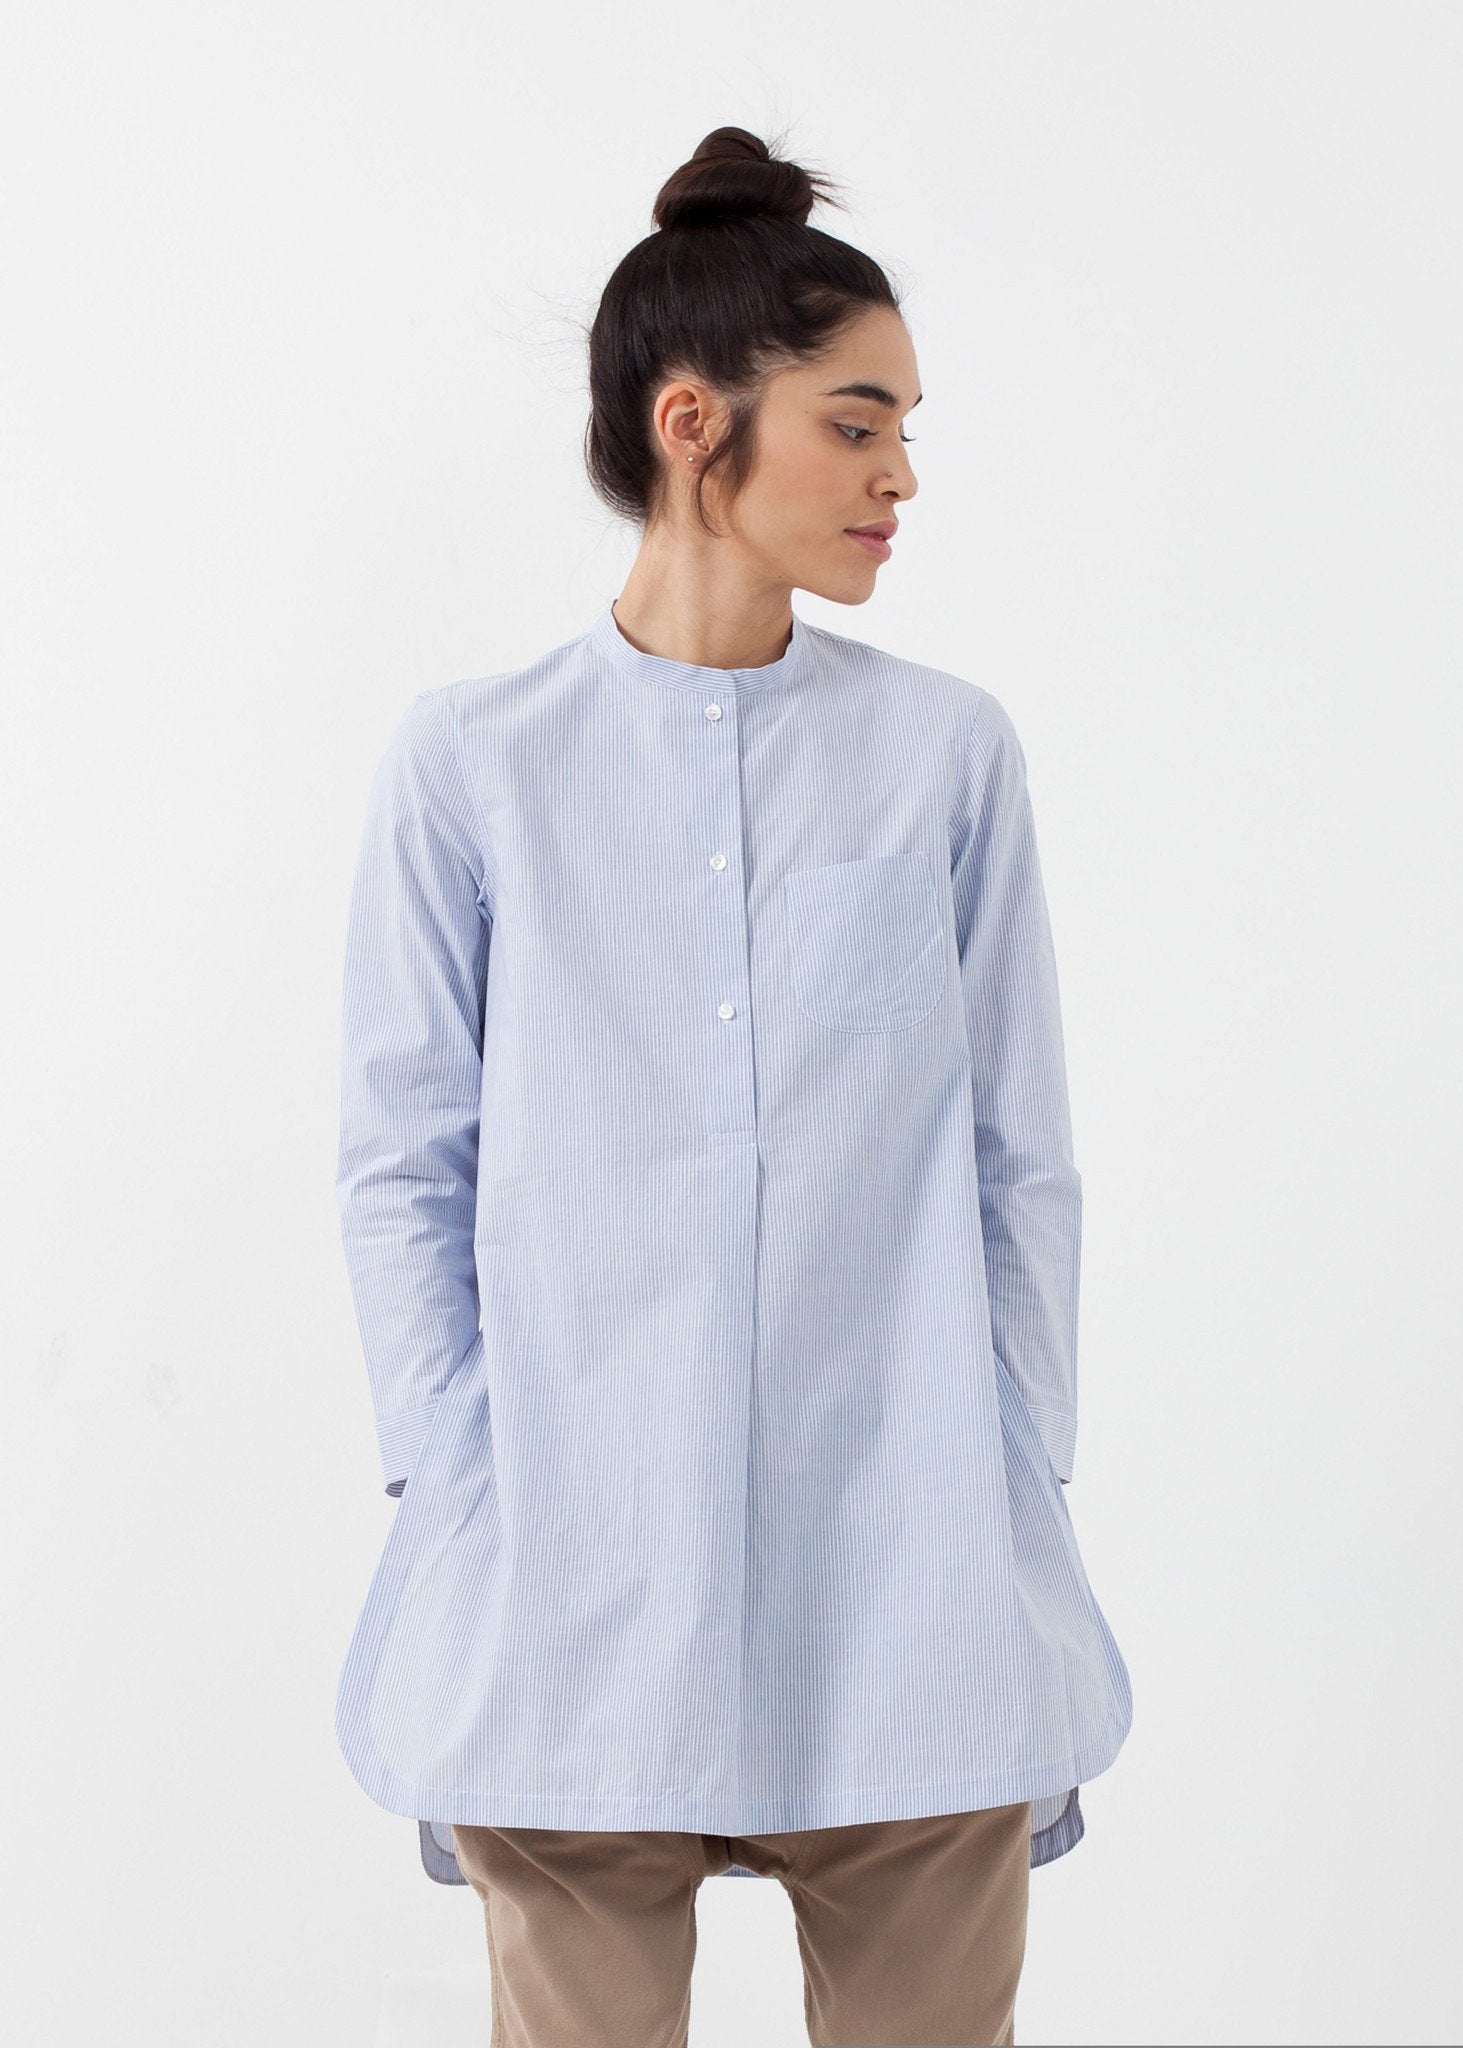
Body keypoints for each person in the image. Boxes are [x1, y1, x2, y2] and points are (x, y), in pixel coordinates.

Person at [332, 122, 1133, 2048]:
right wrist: (463, 1474)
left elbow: (1019, 1159)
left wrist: (1008, 1462)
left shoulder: (945, 758)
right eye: (858, 425)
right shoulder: (476, 765)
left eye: (905, 429)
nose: (901, 475)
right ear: (694, 425)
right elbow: (404, 1161)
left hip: (910, 1578)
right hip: (572, 1586)